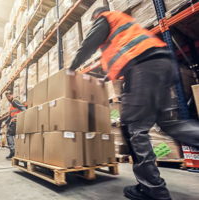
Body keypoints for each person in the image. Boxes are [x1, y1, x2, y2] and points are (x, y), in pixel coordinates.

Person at [69, 6, 199, 200]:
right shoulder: (124, 25)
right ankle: (150, 185)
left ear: (97, 15)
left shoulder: (105, 18)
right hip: (161, 64)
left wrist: (71, 69)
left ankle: (152, 189)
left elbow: (88, 44)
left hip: (142, 66)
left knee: (133, 127)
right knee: (172, 124)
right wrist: (103, 80)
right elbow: (117, 60)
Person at [5, 91, 26, 159]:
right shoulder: (12, 105)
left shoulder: (14, 101)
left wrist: (17, 117)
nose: (8, 98)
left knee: (9, 134)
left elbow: (24, 109)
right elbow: (10, 116)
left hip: (16, 121)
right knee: (15, 136)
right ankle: (14, 152)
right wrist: (6, 122)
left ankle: (13, 150)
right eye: (7, 97)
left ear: (12, 95)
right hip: (15, 121)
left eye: (9, 96)